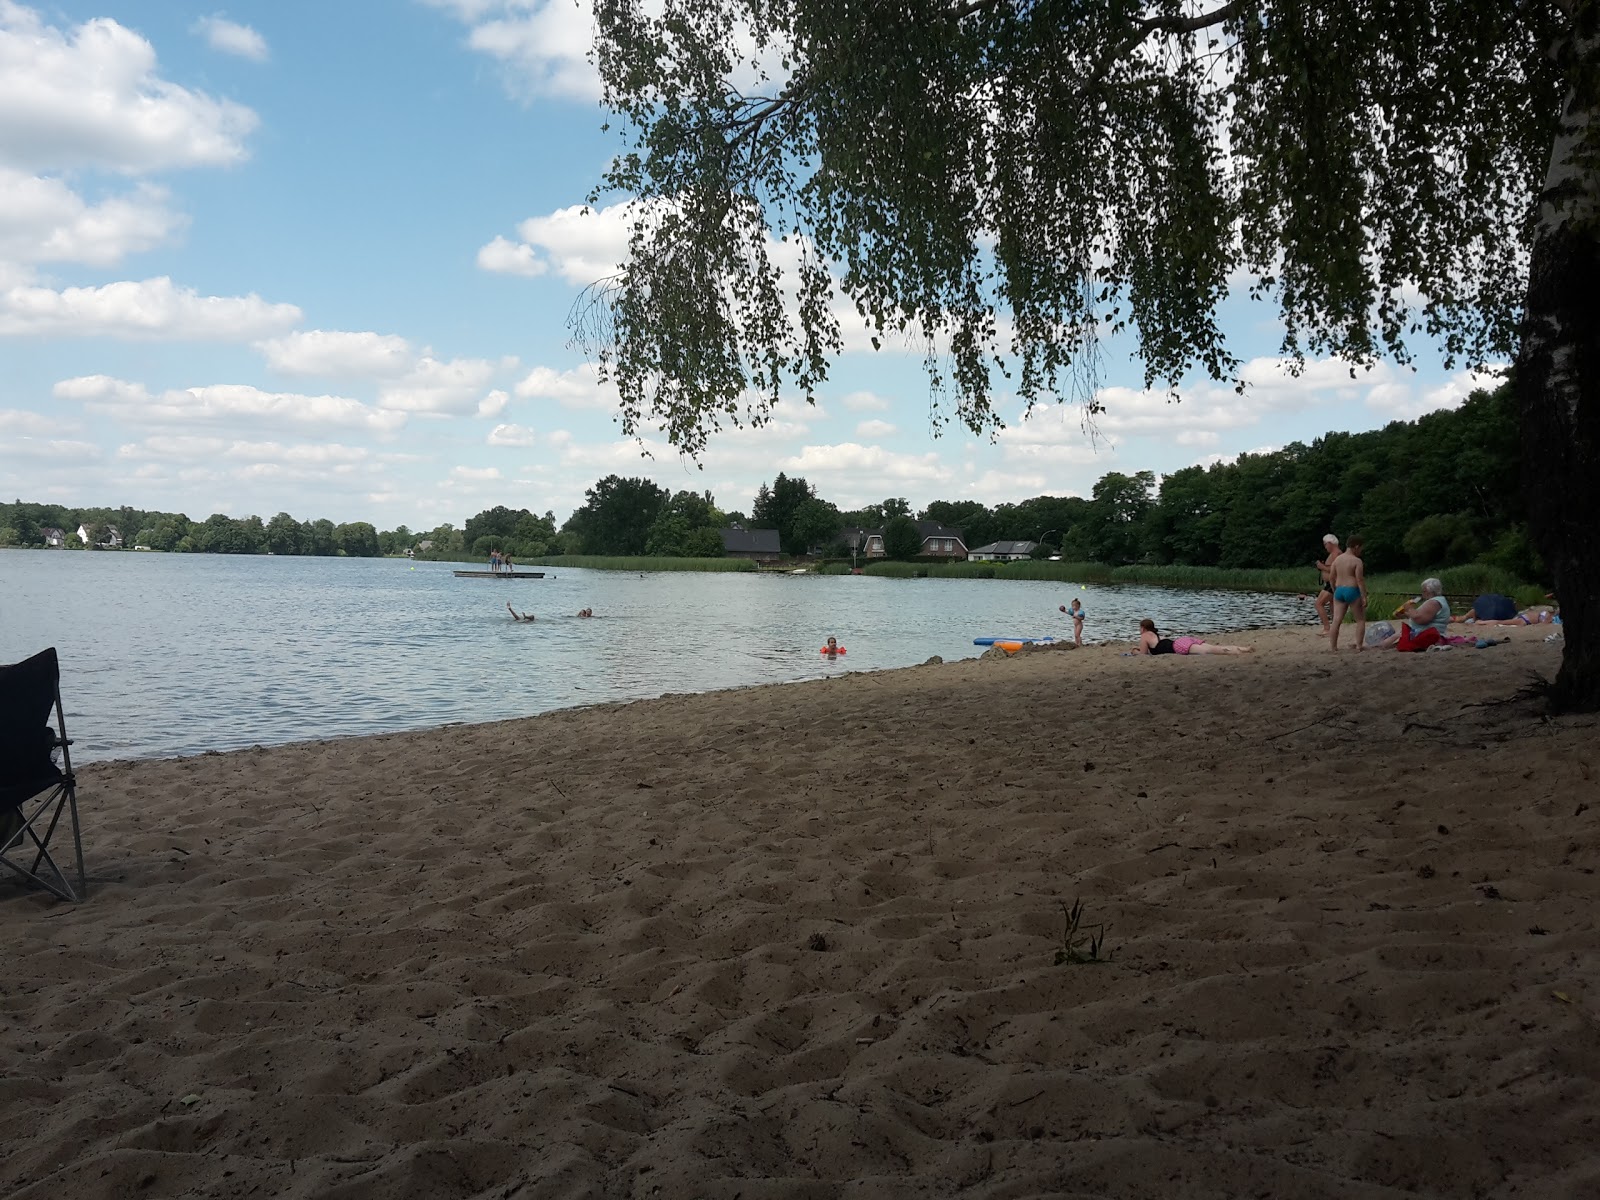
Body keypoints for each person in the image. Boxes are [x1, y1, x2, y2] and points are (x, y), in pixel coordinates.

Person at [1374, 578, 1451, 651]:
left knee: (1397, 636)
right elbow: (1417, 616)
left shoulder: (1434, 602)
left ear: (1429, 591)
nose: (1422, 593)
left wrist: (1409, 608)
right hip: (1425, 632)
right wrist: (1404, 614)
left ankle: (1380, 646)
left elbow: (1421, 619)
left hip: (1428, 634)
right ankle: (1381, 645)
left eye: (1423, 591)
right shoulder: (1435, 601)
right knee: (1397, 635)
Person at [1327, 535, 1367, 652]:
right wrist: (1364, 596)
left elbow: (1331, 578)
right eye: (1360, 549)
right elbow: (1359, 580)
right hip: (1352, 590)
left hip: (1339, 590)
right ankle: (1359, 646)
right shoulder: (1357, 561)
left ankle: (1333, 647)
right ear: (1356, 547)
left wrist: (1335, 591)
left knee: (1336, 620)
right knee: (1360, 620)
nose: (1360, 551)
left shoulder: (1337, 560)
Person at [1136, 619, 1253, 655]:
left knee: (1212, 650)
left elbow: (1143, 654)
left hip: (1179, 647)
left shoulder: (1145, 636)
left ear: (1143, 628)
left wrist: (1135, 652)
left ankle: (1237, 652)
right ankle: (1242, 648)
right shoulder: (1156, 634)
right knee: (1213, 647)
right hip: (1181, 641)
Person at [1314, 534, 1340, 633]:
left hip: (1332, 583)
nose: (1325, 547)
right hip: (1330, 583)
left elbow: (1336, 569)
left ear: (1330, 543)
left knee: (1318, 604)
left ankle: (1327, 628)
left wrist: (1322, 566)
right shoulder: (1334, 553)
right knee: (1332, 605)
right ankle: (1334, 628)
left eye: (1325, 545)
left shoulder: (1336, 553)